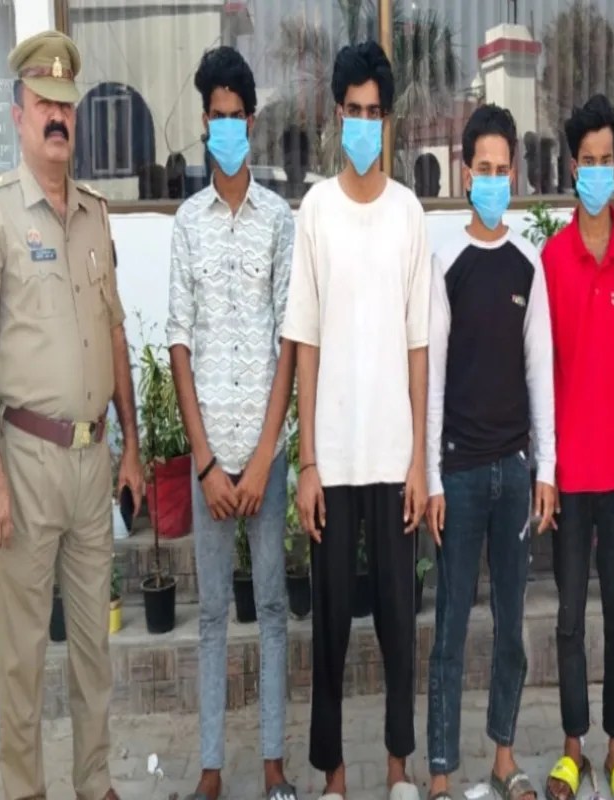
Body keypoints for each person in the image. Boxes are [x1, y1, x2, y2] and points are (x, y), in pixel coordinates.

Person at [0, 31, 144, 800]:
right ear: (18, 113)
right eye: (43, 103)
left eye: (67, 103)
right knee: (23, 655)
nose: (57, 116)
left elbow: (115, 335)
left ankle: (95, 784)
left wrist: (132, 449)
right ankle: (26, 791)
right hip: (25, 467)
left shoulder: (95, 215)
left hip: (92, 464)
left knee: (95, 646)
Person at [281, 40, 430, 800]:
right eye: (354, 111)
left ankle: (399, 770)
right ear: (336, 115)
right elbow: (303, 344)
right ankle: (334, 777)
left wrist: (419, 462)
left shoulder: (409, 214)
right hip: (334, 462)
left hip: (393, 457)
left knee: (400, 624)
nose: (364, 124)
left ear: (388, 120)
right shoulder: (316, 212)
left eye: (376, 112)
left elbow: (418, 345)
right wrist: (307, 462)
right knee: (331, 626)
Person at [165, 46, 298, 800]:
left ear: (252, 122)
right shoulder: (187, 224)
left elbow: (289, 341)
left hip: (266, 458)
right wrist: (208, 464)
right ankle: (212, 771)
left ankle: (274, 766)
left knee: (273, 608)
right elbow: (179, 345)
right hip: (212, 461)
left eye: (236, 116)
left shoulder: (280, 220)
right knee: (212, 614)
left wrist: (263, 456)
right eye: (214, 117)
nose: (225, 128)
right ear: (204, 122)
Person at [424, 104, 557, 800]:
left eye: (504, 170)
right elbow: (432, 377)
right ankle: (441, 772)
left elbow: (541, 374)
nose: (494, 180)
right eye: (484, 168)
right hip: (460, 474)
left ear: (515, 175)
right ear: (465, 172)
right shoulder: (444, 262)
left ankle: (504, 757)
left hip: (514, 472)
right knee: (449, 628)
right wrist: (432, 477)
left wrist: (547, 471)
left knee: (511, 627)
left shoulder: (529, 265)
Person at [539, 94, 614, 800]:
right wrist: (545, 469)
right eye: (587, 160)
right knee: (568, 619)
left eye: (608, 159)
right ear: (571, 166)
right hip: (569, 473)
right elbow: (541, 370)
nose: (598, 170)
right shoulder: (551, 260)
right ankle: (571, 748)